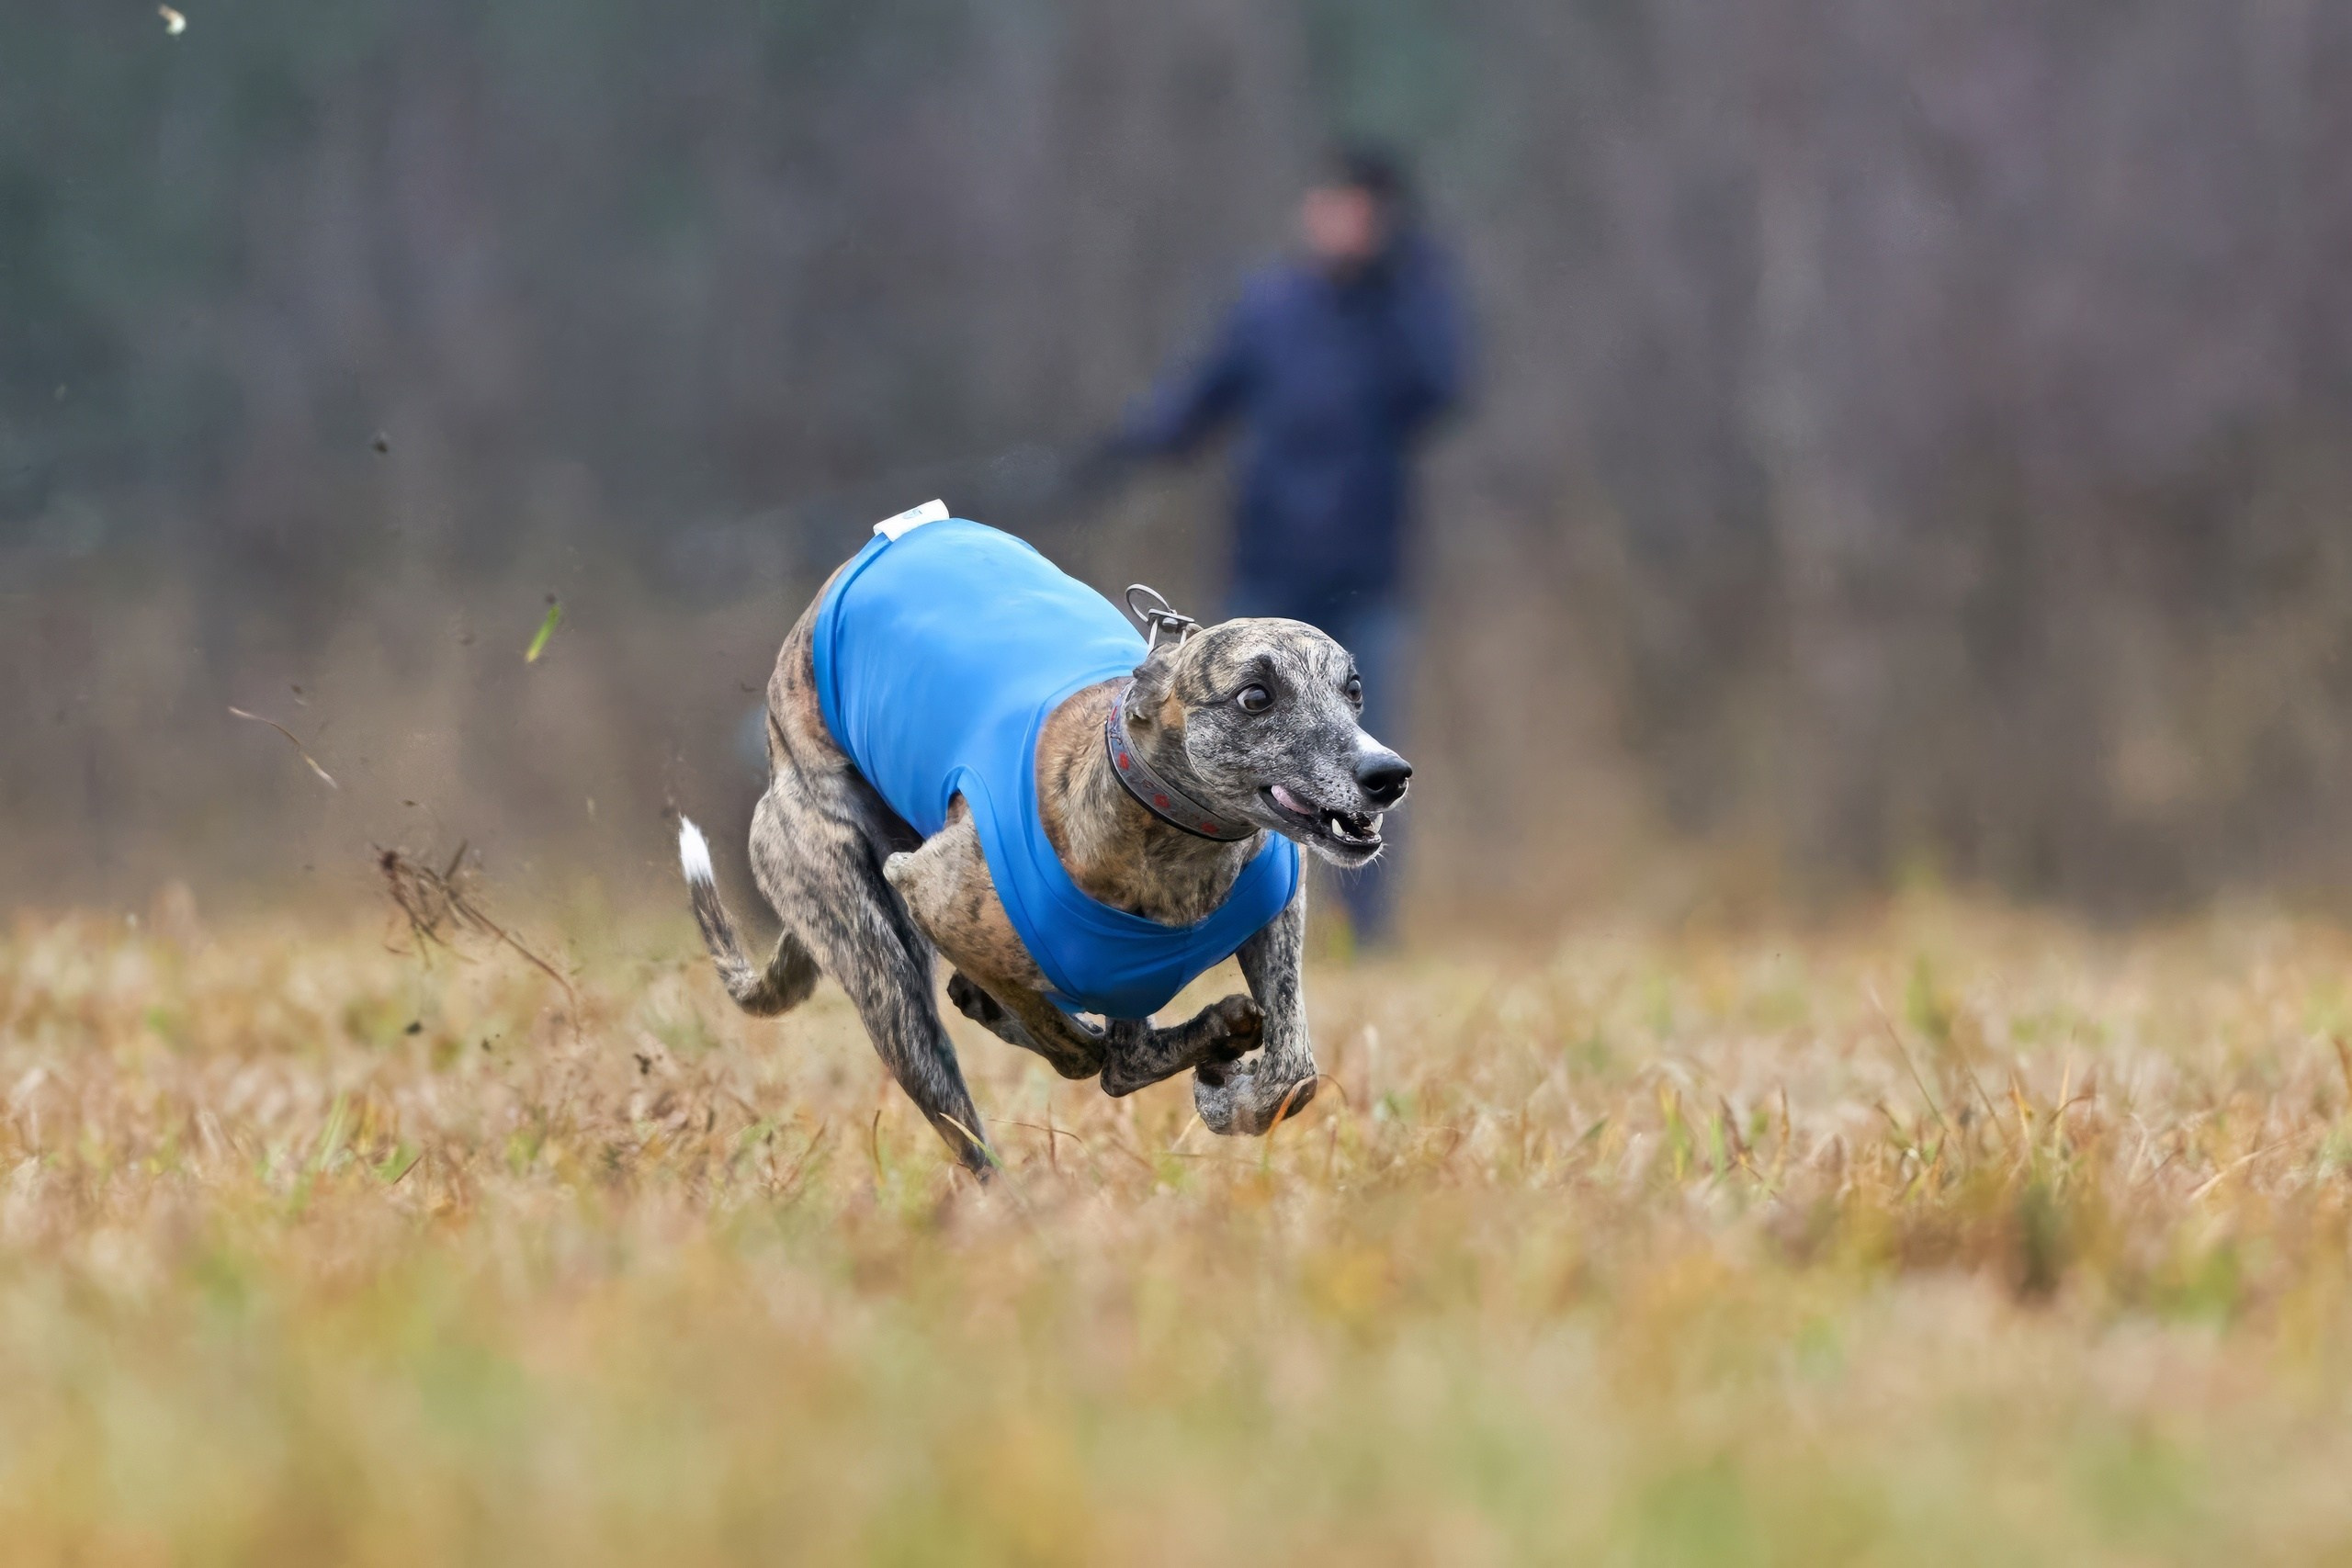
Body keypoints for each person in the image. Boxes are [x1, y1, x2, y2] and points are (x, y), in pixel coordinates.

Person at [1102, 144, 1468, 948]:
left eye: (1357, 209)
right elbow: (1202, 398)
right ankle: (1234, 914)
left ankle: (1367, 930)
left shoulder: (1404, 307)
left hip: (1364, 577)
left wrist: (1401, 273)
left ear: (1384, 221)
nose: (1337, 222)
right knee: (1232, 749)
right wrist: (1129, 445)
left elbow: (1442, 386)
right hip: (1266, 574)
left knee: (1364, 755)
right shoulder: (1270, 306)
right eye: (1328, 203)